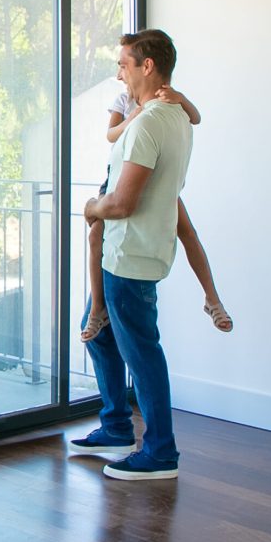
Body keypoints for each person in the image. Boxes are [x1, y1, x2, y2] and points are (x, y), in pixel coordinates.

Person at [72, 29, 192, 480]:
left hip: (129, 257)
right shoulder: (176, 116)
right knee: (100, 336)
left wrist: (92, 207)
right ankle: (116, 427)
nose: (119, 73)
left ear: (147, 66)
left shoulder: (148, 123)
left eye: (124, 64)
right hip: (129, 254)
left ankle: (160, 452)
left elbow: (122, 203)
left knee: (142, 356)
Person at [81, 88, 232, 343]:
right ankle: (97, 308)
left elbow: (196, 118)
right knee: (96, 236)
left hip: (155, 179)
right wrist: (133, 118)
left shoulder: (164, 99)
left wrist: (181, 98)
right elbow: (111, 134)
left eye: (124, 68)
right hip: (120, 178)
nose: (121, 75)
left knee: (188, 234)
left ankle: (212, 299)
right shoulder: (124, 100)